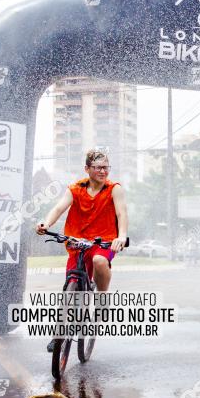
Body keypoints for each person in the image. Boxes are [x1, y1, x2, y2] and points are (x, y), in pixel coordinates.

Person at [36, 149, 128, 351]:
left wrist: (121, 236)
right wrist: (46, 223)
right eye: (98, 167)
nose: (103, 171)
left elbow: (121, 214)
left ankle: (102, 301)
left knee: (99, 262)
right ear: (87, 169)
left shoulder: (114, 189)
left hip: (104, 242)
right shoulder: (75, 188)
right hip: (77, 243)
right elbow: (59, 208)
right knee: (69, 290)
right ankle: (58, 335)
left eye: (106, 167)